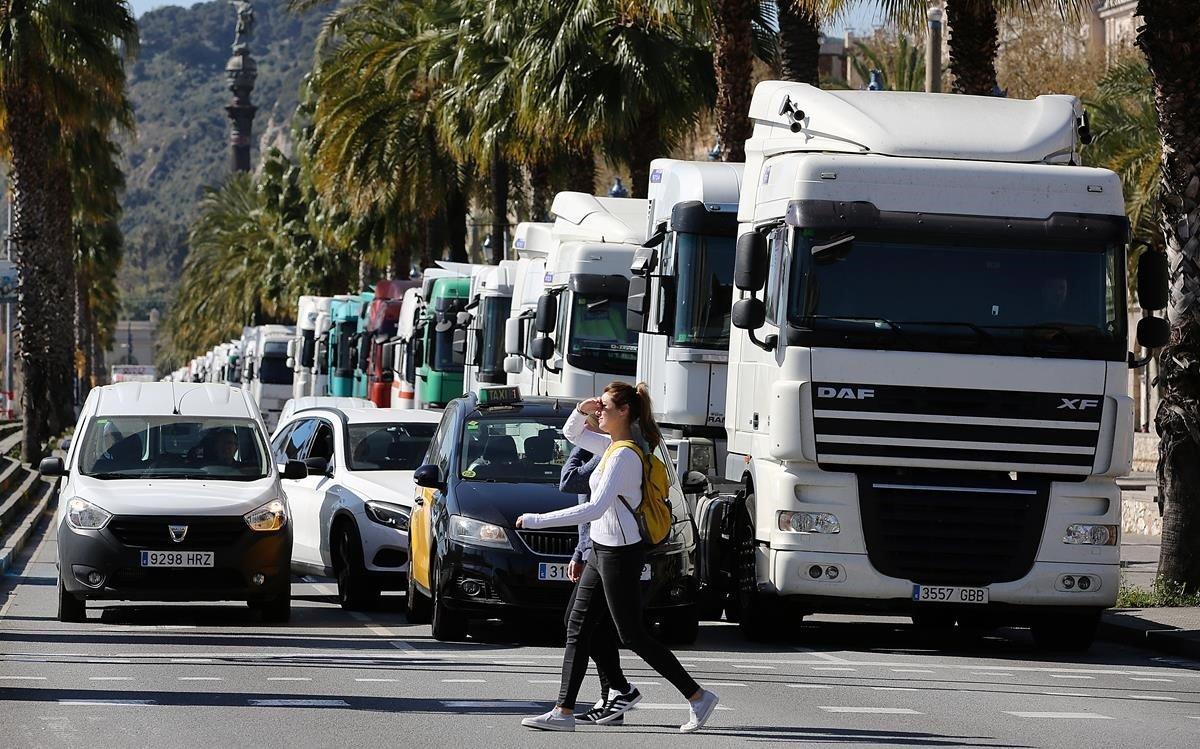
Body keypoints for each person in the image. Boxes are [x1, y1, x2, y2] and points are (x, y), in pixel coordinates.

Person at [516, 382, 718, 733]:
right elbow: (571, 432)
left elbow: (595, 508)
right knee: (575, 625)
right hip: (600, 549)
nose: (599, 412)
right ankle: (571, 708)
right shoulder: (611, 446)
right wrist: (583, 408)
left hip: (620, 553)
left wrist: (536, 520)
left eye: (605, 407)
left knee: (632, 634)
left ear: (625, 411)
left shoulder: (624, 455)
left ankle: (697, 696)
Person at [559, 442, 626, 726]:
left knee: (587, 625)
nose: (596, 416)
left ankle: (619, 690)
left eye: (600, 413)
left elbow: (569, 480)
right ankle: (615, 694)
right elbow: (587, 504)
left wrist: (579, 443)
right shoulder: (602, 450)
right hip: (594, 550)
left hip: (609, 552)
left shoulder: (607, 451)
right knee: (592, 626)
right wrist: (580, 551)